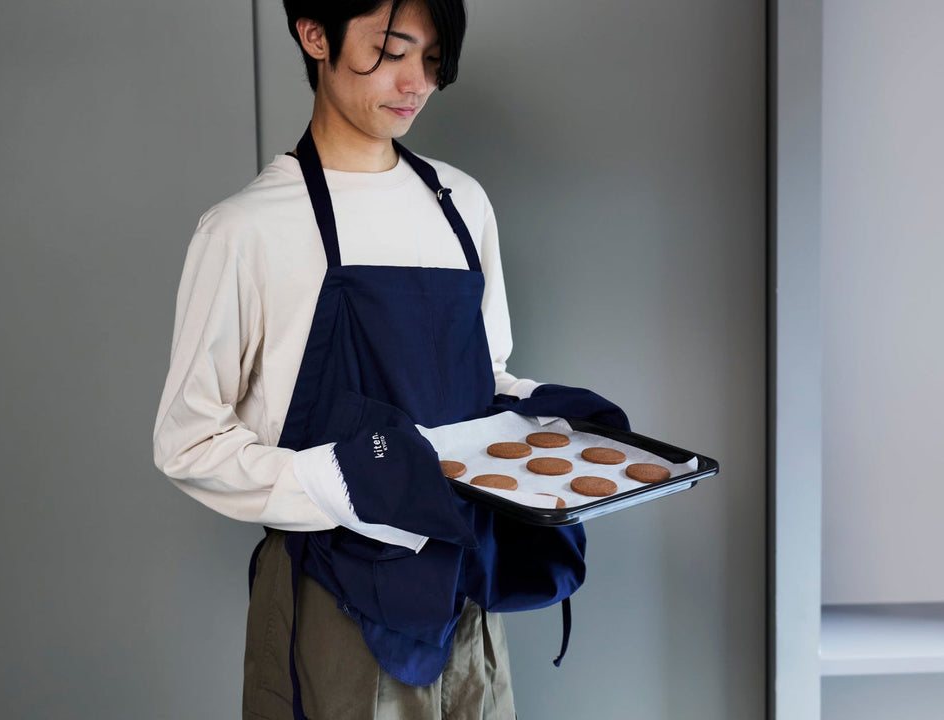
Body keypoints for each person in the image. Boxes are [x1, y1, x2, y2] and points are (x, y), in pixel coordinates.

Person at [153, 1, 626, 718]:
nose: (416, 82)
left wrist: (553, 422)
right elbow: (187, 441)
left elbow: (483, 379)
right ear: (315, 34)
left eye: (431, 59)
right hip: (333, 599)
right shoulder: (246, 230)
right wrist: (344, 478)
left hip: (468, 583)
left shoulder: (462, 204)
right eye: (391, 51)